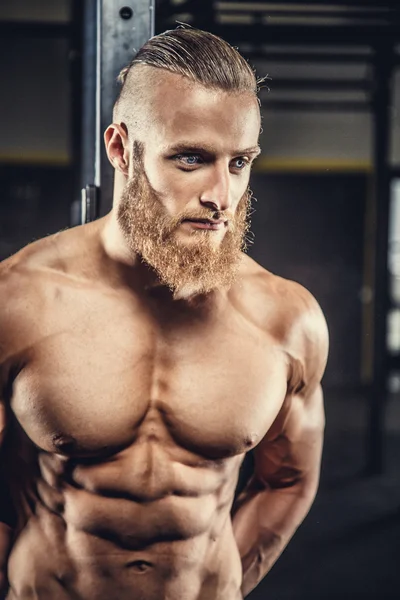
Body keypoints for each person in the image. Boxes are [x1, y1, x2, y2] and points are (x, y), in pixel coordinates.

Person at [0, 26, 328, 600]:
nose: (221, 196)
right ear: (122, 149)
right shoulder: (18, 302)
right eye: (192, 159)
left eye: (239, 163)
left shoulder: (285, 318)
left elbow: (290, 479)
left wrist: (224, 588)